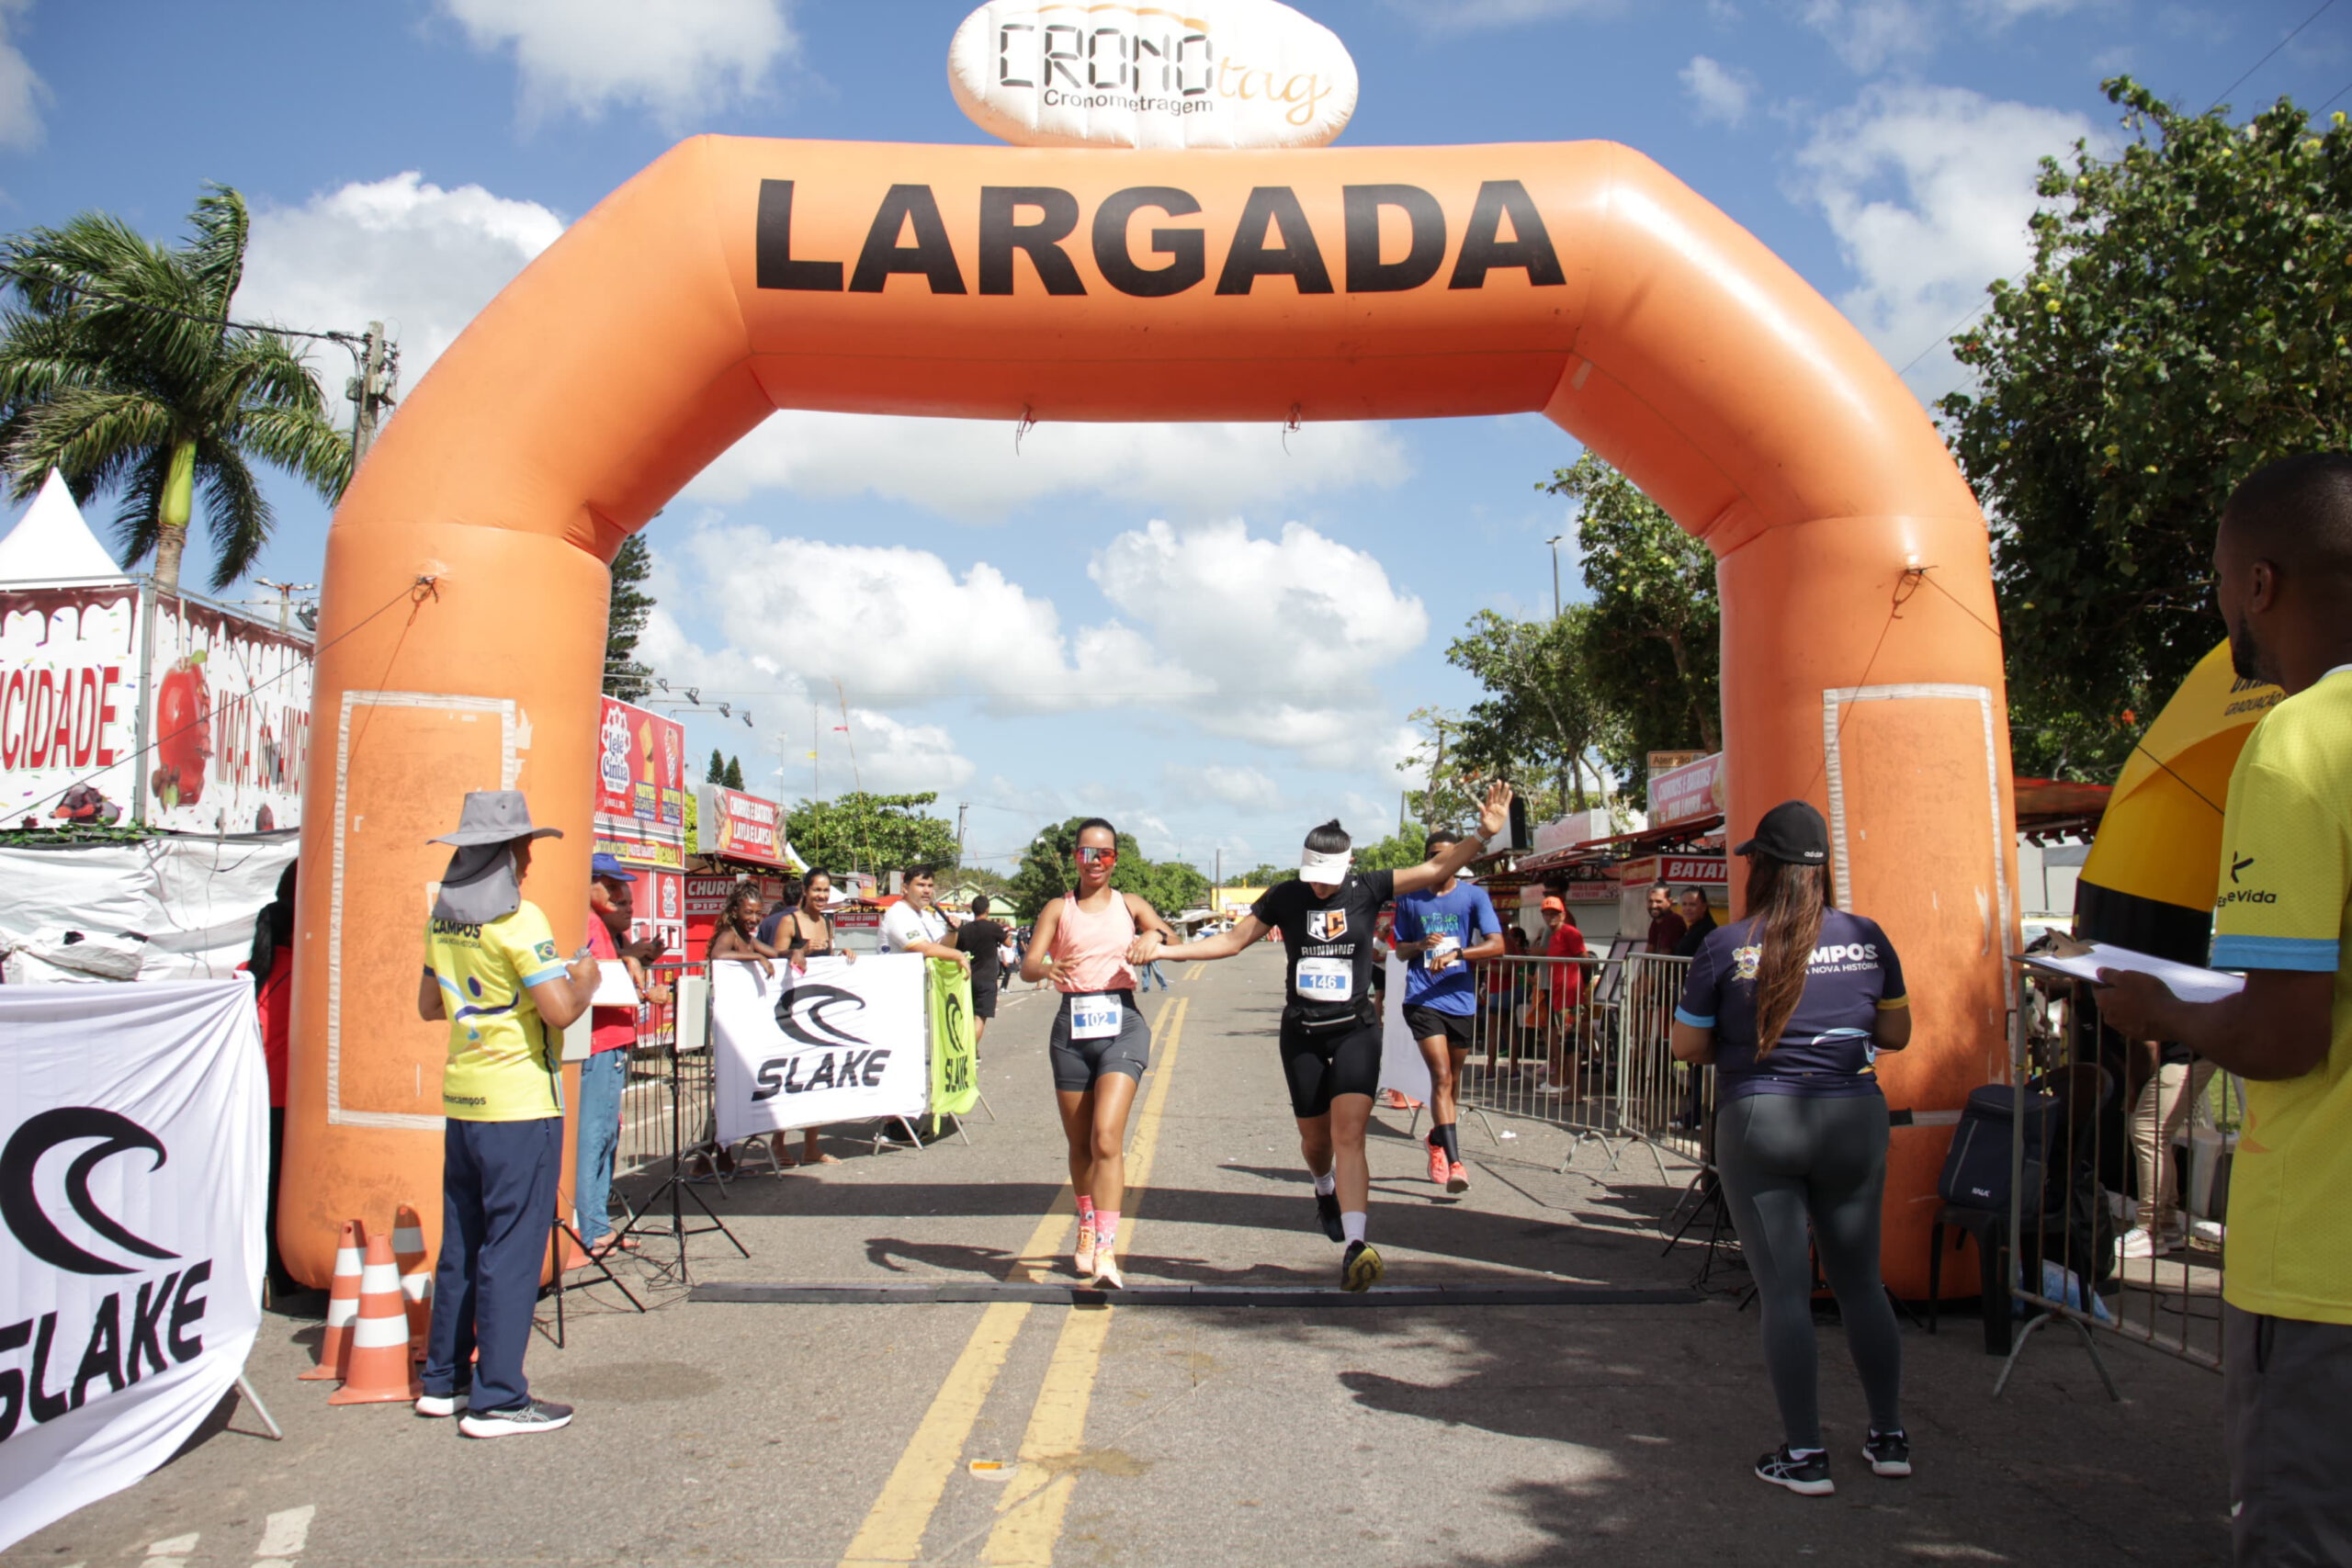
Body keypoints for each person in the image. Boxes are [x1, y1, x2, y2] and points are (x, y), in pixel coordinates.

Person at [2091, 453, 2352, 1564]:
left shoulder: (2294, 743)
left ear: (2259, 584)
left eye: (2215, 579)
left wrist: (2163, 1007)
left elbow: (2284, 1038)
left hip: (2322, 1268)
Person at [1147, 781, 1513, 1292]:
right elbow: (1230, 942)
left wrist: (1483, 835)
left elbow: (1434, 870)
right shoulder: (1284, 896)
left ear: (1349, 863)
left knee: (1349, 1135)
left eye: (1328, 878)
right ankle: (1323, 1188)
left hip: (1355, 1030)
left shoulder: (1369, 888)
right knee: (1315, 1141)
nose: (1320, 887)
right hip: (1302, 1033)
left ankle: (1356, 1246)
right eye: (1312, 877)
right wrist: (1165, 953)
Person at [1670, 798, 1911, 1496]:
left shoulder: (1726, 944)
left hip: (1759, 1120)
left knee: (1784, 1293)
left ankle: (1805, 1454)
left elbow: (1687, 1046)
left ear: (1764, 869)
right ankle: (1889, 1436)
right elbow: (1896, 1036)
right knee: (1861, 1280)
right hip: (1854, 1118)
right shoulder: (1869, 936)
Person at [413, 790, 598, 1438]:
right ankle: (498, 1396)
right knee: (512, 1249)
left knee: (462, 1241)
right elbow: (559, 1010)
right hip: (519, 1102)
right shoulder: (521, 921)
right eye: (522, 849)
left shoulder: (444, 919)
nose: (527, 861)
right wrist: (587, 979)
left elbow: (429, 1006)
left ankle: (445, 1379)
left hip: (463, 1096)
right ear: (504, 855)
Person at [1019, 820, 1178, 1289]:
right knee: (1080, 1144)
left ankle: (1107, 1248)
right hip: (1071, 1028)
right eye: (1088, 853)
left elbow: (1169, 937)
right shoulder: (1057, 908)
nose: (1096, 862)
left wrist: (1156, 938)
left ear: (1116, 859)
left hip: (1121, 1025)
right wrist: (1048, 967)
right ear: (1075, 857)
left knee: (1106, 1137)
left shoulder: (1131, 904)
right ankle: (1086, 1225)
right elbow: (1029, 966)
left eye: (1105, 854)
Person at [1392, 831, 1506, 1191]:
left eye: (1445, 855)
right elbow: (1400, 952)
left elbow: (1496, 944)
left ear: (1458, 857)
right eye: (1431, 856)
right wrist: (1419, 945)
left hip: (1460, 998)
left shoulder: (1474, 896)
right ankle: (1456, 1163)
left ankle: (1437, 1140)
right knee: (1441, 1076)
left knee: (1452, 1082)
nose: (1438, 862)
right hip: (1422, 999)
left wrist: (1459, 954)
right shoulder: (1410, 898)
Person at [576, 854, 667, 1258]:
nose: (620, 900)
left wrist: (631, 955)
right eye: (611, 888)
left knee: (606, 1136)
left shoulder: (604, 931)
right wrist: (646, 990)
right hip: (598, 1045)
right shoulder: (590, 925)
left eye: (626, 897)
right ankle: (591, 1229)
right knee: (594, 1137)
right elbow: (594, 982)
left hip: (610, 1044)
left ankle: (597, 1223)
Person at [241, 861, 299, 1300]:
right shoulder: (306, 973)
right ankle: (281, 1275)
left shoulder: (244, 973)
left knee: (256, 1187)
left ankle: (257, 1272)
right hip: (289, 1099)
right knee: (283, 1190)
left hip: (247, 1096)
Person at [1535, 897, 1588, 1096]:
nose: (1550, 917)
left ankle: (1574, 1089)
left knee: (1571, 1041)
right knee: (1565, 1040)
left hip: (1569, 995)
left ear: (1563, 915)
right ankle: (1567, 1084)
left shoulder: (1570, 933)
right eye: (1546, 913)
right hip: (1559, 994)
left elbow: (1584, 959)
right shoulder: (1554, 935)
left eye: (1554, 913)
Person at [881, 866, 971, 975]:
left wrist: (951, 931)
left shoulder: (926, 915)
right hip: (898, 986)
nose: (927, 891)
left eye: (930, 886)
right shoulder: (898, 914)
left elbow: (943, 948)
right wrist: (958, 955)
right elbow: (924, 949)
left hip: (923, 986)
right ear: (905, 888)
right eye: (921, 885)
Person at [955, 895, 1009, 1048]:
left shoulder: (964, 930)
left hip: (967, 977)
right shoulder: (993, 927)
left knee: (967, 1015)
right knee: (979, 1017)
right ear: (987, 910)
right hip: (987, 978)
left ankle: (970, 1048)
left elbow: (956, 950)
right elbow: (1008, 943)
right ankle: (970, 1050)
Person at [707, 883, 775, 976]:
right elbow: (717, 954)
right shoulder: (730, 934)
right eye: (748, 912)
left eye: (758, 913)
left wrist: (796, 952)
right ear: (735, 912)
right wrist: (757, 956)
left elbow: (777, 953)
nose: (754, 919)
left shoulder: (749, 939)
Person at [1675, 887, 1718, 956]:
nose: (1687, 909)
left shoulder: (1706, 931)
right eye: (1684, 904)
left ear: (1704, 907)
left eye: (1692, 904)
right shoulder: (1694, 928)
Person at [1645, 883, 1687, 953]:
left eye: (1658, 901)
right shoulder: (1655, 922)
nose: (1653, 906)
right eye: (1650, 901)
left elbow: (1665, 955)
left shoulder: (1674, 920)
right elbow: (1650, 949)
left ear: (1669, 902)